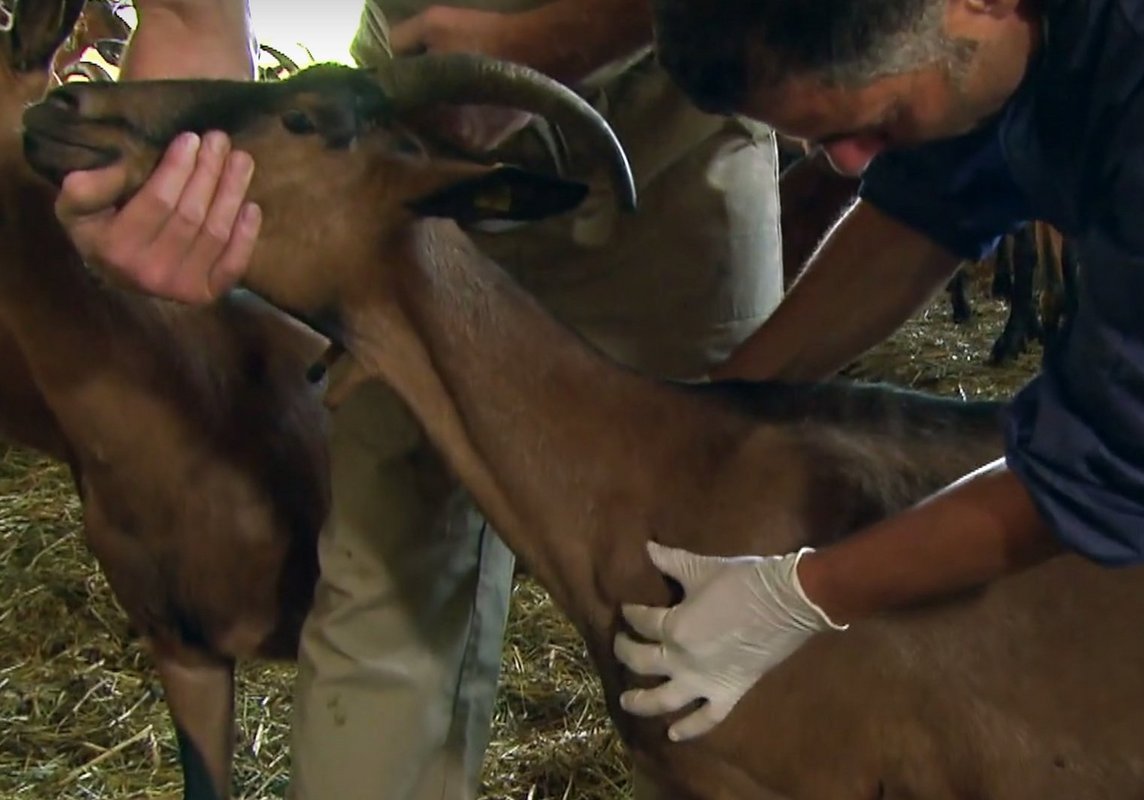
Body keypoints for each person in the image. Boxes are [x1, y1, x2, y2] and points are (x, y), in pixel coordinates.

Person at [53, 0, 782, 797]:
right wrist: (167, 175)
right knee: (387, 575)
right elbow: (191, 18)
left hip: (671, 95)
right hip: (398, 124)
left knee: (705, 575)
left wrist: (544, 46)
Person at [613, 0, 1144, 744]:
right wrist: (724, 404)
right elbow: (937, 193)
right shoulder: (977, 37)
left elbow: (1133, 458)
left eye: (879, 122)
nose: (847, 162)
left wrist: (802, 594)